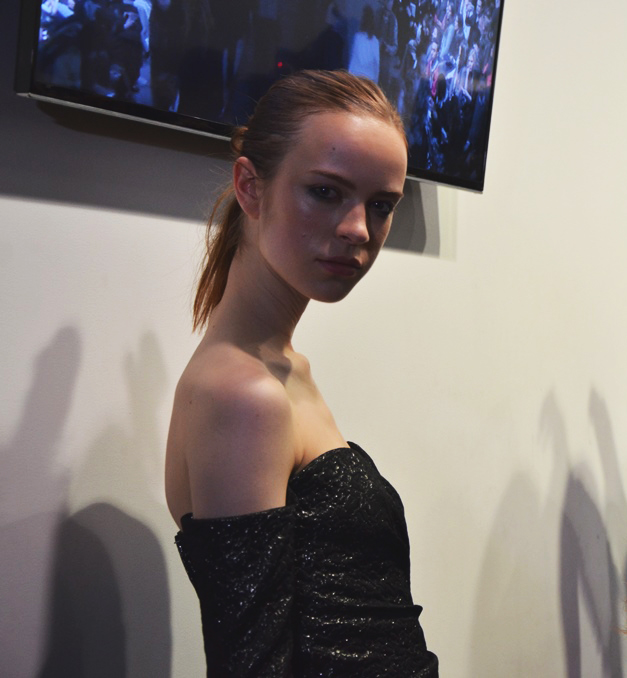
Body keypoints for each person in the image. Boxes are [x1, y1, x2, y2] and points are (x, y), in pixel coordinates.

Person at [164, 70, 439, 677]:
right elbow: (252, 664)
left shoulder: (284, 370)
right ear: (250, 187)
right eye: (325, 191)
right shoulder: (244, 395)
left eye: (381, 205)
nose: (358, 229)